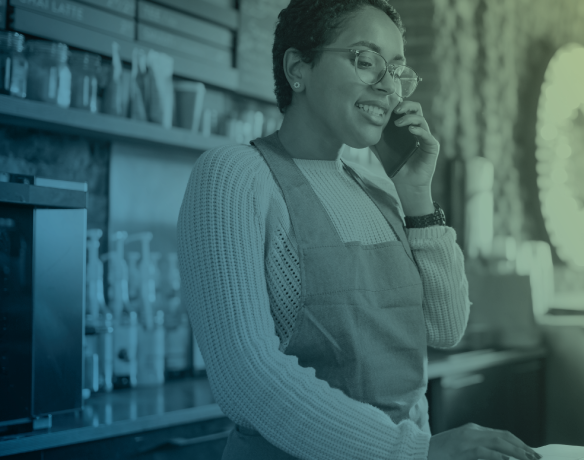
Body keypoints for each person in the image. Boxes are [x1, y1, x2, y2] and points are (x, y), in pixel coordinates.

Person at [177, 1, 540, 459]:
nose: (389, 87)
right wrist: (412, 452)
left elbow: (446, 328)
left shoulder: (381, 193)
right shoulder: (234, 176)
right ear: (298, 68)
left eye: (397, 70)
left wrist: (416, 195)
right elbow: (247, 378)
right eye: (366, 61)